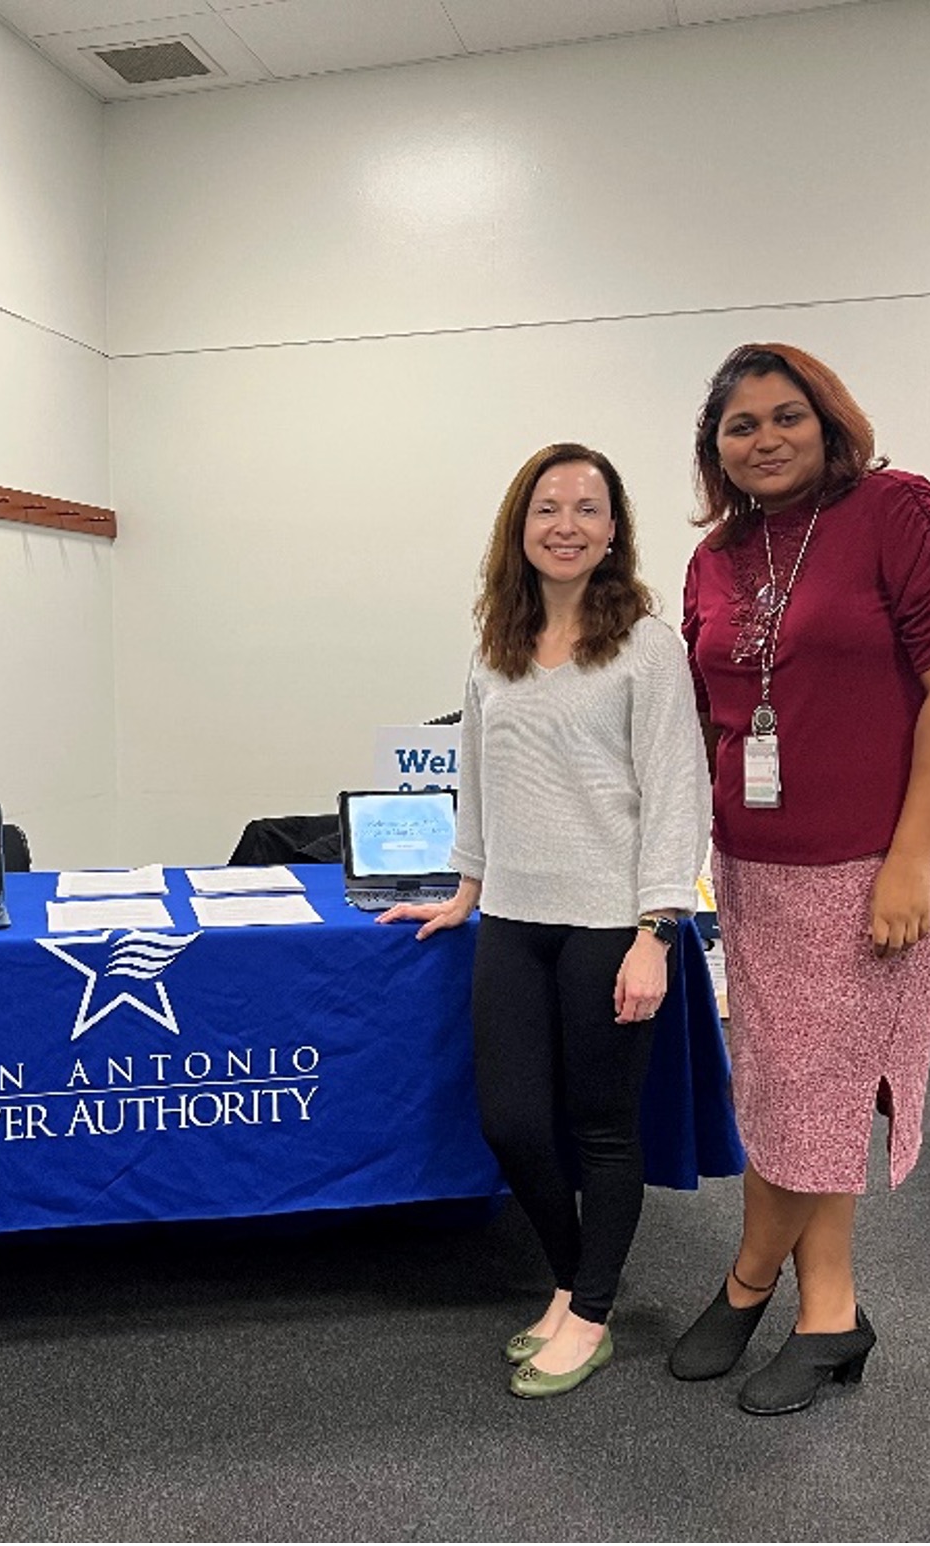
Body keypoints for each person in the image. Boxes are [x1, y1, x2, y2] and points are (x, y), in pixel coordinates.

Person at [671, 342, 930, 1415]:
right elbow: (701, 712)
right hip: (758, 866)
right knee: (787, 1083)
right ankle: (831, 1310)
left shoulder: (895, 509)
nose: (763, 439)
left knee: (810, 1083)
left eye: (783, 417)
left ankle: (752, 1283)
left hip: (879, 863)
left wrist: (910, 856)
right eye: (739, 426)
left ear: (828, 420)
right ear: (715, 449)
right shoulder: (715, 556)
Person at [382, 443, 709, 1399]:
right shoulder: (497, 643)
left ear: (614, 531)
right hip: (516, 920)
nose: (565, 524)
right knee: (513, 1121)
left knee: (602, 1127)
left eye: (587, 508)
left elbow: (675, 792)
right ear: (519, 528)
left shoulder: (646, 646)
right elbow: (479, 781)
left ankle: (593, 1312)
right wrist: (466, 889)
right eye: (547, 508)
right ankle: (570, 1283)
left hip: (611, 921)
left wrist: (660, 928)